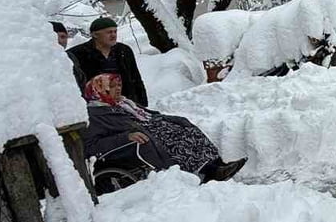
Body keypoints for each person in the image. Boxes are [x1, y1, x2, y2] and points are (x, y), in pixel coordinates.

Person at [82, 73, 246, 181]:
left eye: (119, 85)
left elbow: (147, 114)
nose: (118, 89)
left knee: (184, 127)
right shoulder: (95, 114)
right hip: (136, 139)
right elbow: (91, 146)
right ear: (100, 90)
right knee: (171, 138)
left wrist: (167, 119)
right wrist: (125, 137)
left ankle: (217, 165)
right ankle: (207, 173)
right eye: (112, 86)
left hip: (149, 126)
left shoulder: (124, 103)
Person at [67, 16, 148, 107]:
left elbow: (135, 78)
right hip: (96, 106)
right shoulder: (78, 54)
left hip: (125, 102)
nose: (113, 35)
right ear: (95, 35)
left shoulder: (124, 50)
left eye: (115, 31)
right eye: (109, 32)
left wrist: (142, 104)